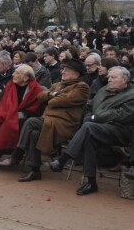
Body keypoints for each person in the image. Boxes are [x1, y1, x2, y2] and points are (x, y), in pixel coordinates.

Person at [0, 58, 89, 182]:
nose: (63, 72)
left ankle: (16, 155)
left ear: (76, 73)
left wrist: (52, 97)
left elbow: (58, 101)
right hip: (48, 121)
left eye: (67, 70)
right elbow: (40, 97)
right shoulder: (58, 85)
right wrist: (53, 94)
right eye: (62, 70)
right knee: (34, 133)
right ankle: (35, 170)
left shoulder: (81, 87)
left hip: (64, 125)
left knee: (31, 122)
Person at [47, 67, 134, 195]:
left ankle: (62, 159)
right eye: (109, 77)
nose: (109, 80)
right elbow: (90, 106)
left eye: (113, 77)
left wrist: (95, 117)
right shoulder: (103, 90)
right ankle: (91, 183)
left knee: (89, 128)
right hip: (97, 127)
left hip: (121, 131)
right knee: (89, 138)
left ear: (125, 79)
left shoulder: (131, 94)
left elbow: (123, 115)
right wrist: (90, 117)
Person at [0, 64, 43, 161]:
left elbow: (35, 109)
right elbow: (2, 103)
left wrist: (13, 114)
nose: (13, 74)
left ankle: (2, 150)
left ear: (26, 78)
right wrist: (7, 112)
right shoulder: (11, 85)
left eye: (17, 73)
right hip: (7, 112)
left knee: (9, 123)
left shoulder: (36, 89)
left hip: (24, 116)